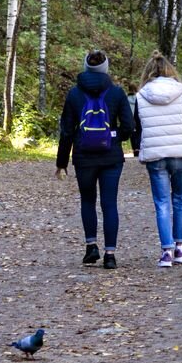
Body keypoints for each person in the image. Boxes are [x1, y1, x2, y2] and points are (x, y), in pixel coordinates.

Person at [55, 50, 134, 269]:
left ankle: (91, 246)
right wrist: (113, 137)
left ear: (86, 67)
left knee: (88, 201)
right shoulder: (117, 93)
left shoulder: (74, 94)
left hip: (83, 157)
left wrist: (61, 162)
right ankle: (110, 254)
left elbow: (67, 131)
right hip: (111, 158)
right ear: (106, 68)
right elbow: (128, 127)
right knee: (109, 203)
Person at [131, 51, 182, 268]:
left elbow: (138, 125)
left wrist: (137, 149)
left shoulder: (142, 95)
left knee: (162, 202)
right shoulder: (181, 92)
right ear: (170, 71)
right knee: (180, 199)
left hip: (156, 155)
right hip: (180, 152)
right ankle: (181, 248)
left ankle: (166, 252)